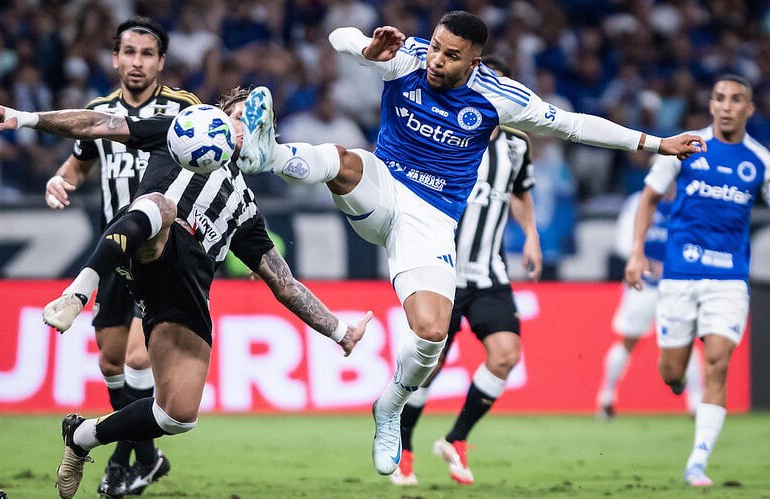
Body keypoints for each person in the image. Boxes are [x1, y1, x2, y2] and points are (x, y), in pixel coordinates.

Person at [235, 10, 704, 476]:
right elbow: (339, 35)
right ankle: (269, 154)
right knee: (343, 160)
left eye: (451, 55)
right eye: (436, 47)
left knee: (431, 333)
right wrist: (368, 51)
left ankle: (390, 407)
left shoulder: (500, 97)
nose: (437, 60)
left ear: (474, 61)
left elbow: (574, 125)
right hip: (382, 188)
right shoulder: (407, 56)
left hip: (430, 221)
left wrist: (656, 143)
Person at [0, 87, 372, 499]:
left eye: (255, 124)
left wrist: (339, 331)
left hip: (184, 293)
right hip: (151, 243)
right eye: (239, 117)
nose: (244, 129)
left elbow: (284, 283)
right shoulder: (179, 131)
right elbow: (98, 124)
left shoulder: (245, 208)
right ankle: (78, 292)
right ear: (220, 115)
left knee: (178, 415)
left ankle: (82, 436)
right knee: (161, 207)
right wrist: (25, 118)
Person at [43, 16, 200, 497]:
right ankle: (147, 459)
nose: (137, 62)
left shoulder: (184, 110)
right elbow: (80, 164)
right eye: (129, 52)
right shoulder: (99, 113)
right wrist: (60, 181)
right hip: (114, 254)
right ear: (115, 58)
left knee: (136, 358)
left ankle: (118, 459)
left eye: (147, 54)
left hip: (161, 252)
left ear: (161, 62)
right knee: (112, 363)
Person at [388, 56, 541, 486]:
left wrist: (531, 235)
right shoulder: (443, 131)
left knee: (506, 355)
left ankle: (456, 439)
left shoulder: (516, 144)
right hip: (442, 274)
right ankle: (404, 448)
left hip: (490, 273)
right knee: (428, 367)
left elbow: (520, 192)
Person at [625, 74, 769, 487]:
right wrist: (637, 253)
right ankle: (677, 382)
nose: (726, 106)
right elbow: (649, 198)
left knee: (717, 363)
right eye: (720, 98)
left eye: (736, 99)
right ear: (711, 105)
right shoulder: (684, 146)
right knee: (672, 373)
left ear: (748, 108)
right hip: (679, 275)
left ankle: (697, 462)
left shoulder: (760, 161)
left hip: (729, 277)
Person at [596, 189, 703, 419]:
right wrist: (647, 263)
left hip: (678, 287)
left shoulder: (688, 200)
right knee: (628, 342)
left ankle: (696, 404)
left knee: (686, 343)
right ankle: (606, 398)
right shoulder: (638, 201)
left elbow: (697, 239)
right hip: (642, 286)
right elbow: (623, 241)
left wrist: (680, 265)